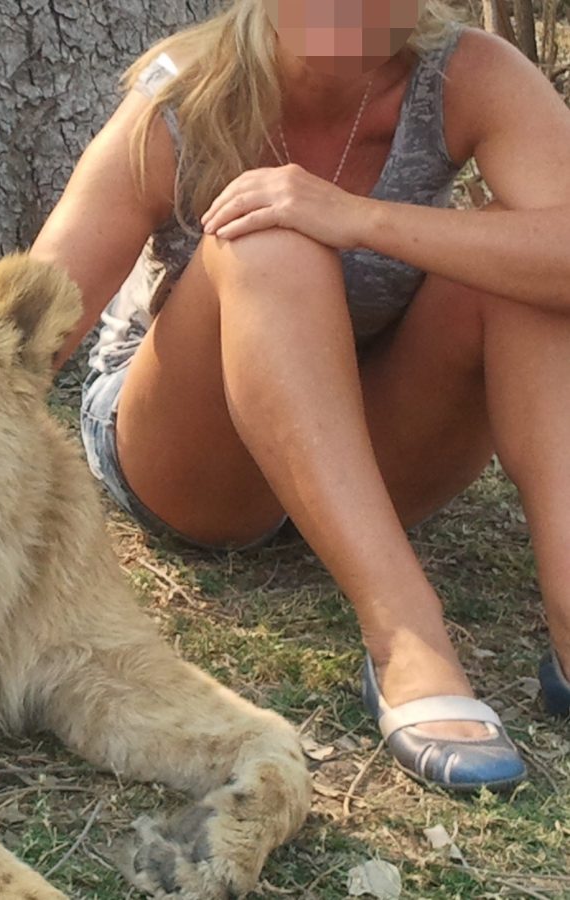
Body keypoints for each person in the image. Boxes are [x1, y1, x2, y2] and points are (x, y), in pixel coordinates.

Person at [30, 0, 570, 793]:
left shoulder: (467, 73)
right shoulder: (183, 95)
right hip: (194, 461)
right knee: (269, 234)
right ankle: (408, 638)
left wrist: (357, 219)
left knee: (529, 277)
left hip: (372, 444)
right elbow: (29, 327)